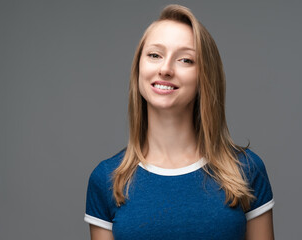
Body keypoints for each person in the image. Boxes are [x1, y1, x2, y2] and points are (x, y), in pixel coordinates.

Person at [84, 4, 274, 240]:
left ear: (205, 75)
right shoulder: (107, 179)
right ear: (138, 68)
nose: (165, 69)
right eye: (155, 55)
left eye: (185, 60)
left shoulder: (246, 170)